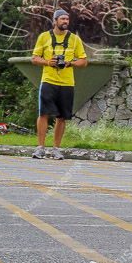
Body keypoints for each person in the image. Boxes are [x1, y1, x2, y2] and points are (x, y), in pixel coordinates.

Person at [30, 9, 87, 159]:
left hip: (67, 82)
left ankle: (56, 148)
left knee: (62, 117)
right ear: (55, 21)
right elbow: (34, 58)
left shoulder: (75, 39)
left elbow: (84, 61)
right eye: (62, 19)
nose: (65, 22)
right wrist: (49, 62)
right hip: (48, 80)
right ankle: (41, 147)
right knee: (43, 113)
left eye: (67, 19)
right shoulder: (44, 37)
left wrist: (70, 63)